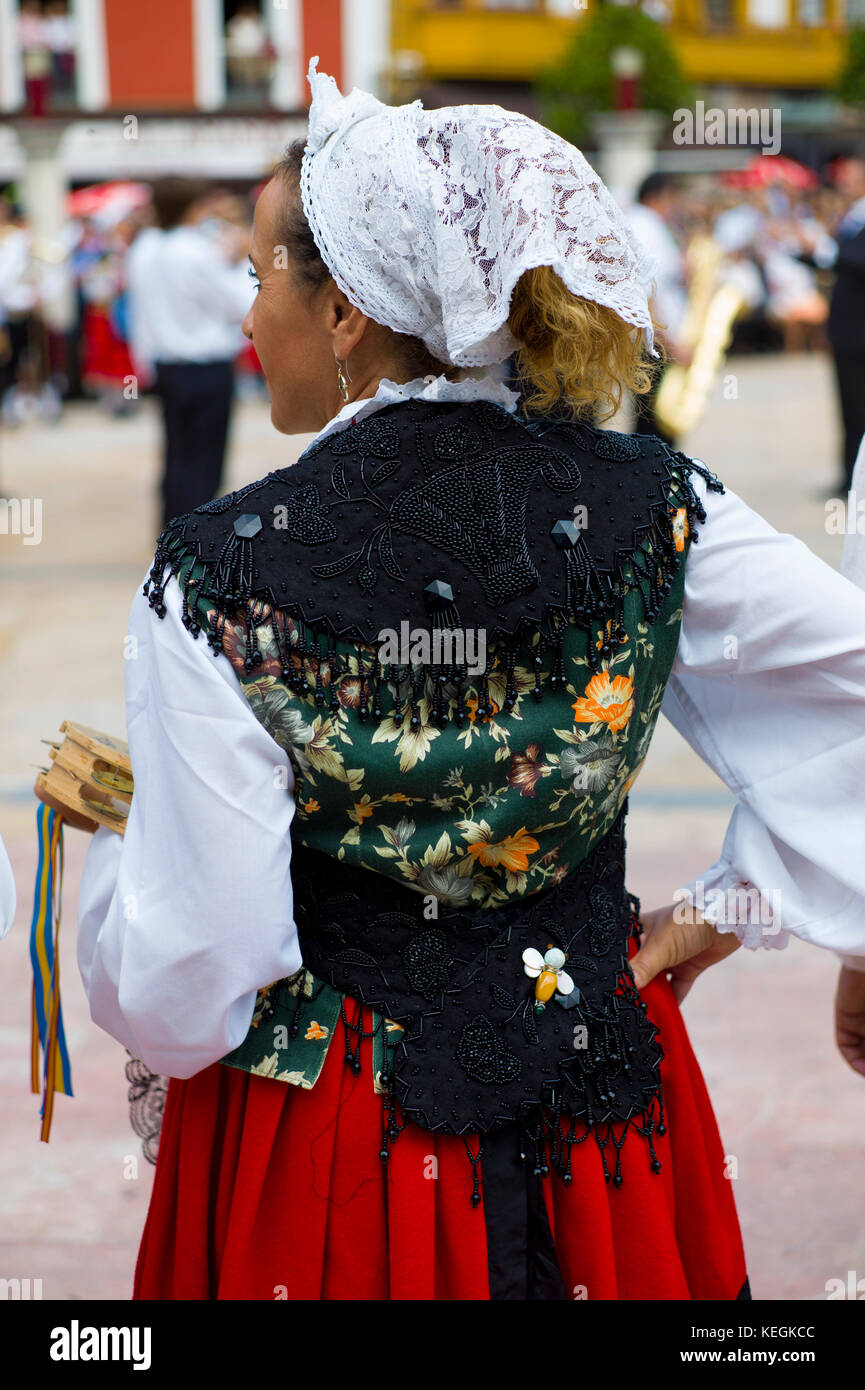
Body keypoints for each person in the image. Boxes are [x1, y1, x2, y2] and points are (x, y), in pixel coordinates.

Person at [77, 60, 865, 1301]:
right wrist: (733, 906)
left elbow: (190, 982)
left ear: (346, 313)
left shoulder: (217, 573)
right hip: (601, 1115)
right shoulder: (659, 504)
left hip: (339, 1146)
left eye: (260, 280)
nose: (243, 318)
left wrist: (116, 855)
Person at [126, 178, 252, 529]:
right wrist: (242, 261)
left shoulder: (144, 249)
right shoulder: (197, 251)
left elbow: (140, 313)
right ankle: (195, 536)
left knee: (176, 454)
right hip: (206, 367)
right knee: (206, 459)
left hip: (166, 365)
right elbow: (240, 305)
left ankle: (170, 530)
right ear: (193, 208)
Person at [625, 172, 689, 445]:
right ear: (658, 196)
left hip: (657, 337)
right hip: (654, 340)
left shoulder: (648, 225)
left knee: (653, 423)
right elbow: (646, 290)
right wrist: (668, 340)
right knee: (653, 425)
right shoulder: (644, 225)